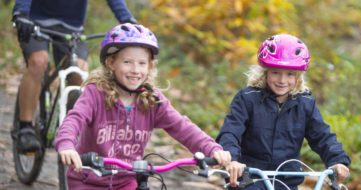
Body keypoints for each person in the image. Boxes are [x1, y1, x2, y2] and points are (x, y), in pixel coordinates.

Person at [53, 23, 232, 189]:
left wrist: (212, 148)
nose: (135, 70)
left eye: (141, 63)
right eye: (127, 62)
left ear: (150, 66)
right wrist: (67, 144)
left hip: (126, 181)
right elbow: (74, 119)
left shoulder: (152, 100)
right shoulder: (95, 93)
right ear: (111, 63)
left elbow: (182, 127)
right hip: (88, 180)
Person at [217, 34, 351, 189]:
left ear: (298, 77)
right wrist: (232, 160)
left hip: (286, 180)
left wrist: (338, 161)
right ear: (265, 72)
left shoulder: (305, 104)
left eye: (289, 74)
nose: (282, 80)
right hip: (249, 178)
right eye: (275, 72)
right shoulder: (247, 99)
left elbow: (323, 136)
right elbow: (230, 132)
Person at [12, 0, 138, 153]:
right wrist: (21, 13)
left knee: (79, 73)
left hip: (72, 29)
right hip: (34, 23)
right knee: (39, 62)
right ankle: (25, 128)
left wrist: (128, 20)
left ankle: (72, 129)